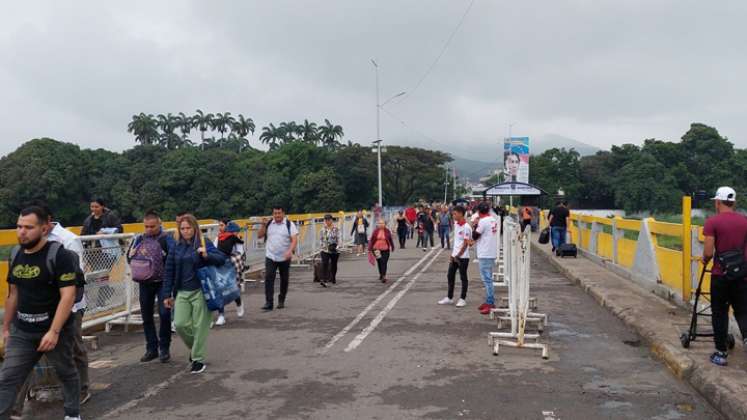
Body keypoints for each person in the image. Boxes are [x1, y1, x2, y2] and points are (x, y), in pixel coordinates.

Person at [0, 206, 82, 420]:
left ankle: (72, 413)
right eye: (19, 226)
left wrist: (54, 332)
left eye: (28, 227)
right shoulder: (16, 253)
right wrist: (6, 328)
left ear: (44, 228)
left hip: (56, 331)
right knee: (8, 378)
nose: (21, 232)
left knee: (66, 372)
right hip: (23, 331)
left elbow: (68, 296)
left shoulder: (60, 255)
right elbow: (13, 294)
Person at [163, 214, 226, 374]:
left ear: (195, 228)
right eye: (182, 228)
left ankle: (197, 359)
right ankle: (195, 349)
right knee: (180, 324)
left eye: (188, 228)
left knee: (200, 327)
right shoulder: (176, 246)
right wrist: (166, 294)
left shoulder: (204, 242)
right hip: (182, 291)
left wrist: (206, 255)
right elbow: (169, 270)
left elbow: (221, 259)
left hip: (201, 290)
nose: (185, 231)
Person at [702, 187, 747, 367]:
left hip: (720, 276)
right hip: (742, 276)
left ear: (718, 202)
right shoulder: (745, 221)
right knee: (743, 312)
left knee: (720, 313)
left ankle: (721, 353)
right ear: (734, 202)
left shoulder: (712, 222)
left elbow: (707, 251)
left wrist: (705, 260)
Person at [128, 211, 175, 363]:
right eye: (146, 226)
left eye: (152, 226)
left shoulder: (167, 239)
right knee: (146, 316)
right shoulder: (139, 239)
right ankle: (151, 348)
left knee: (164, 314)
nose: (149, 229)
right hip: (144, 282)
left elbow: (173, 258)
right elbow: (129, 257)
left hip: (163, 282)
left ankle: (164, 347)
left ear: (159, 224)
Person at [258, 205, 298, 311]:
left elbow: (294, 240)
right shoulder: (269, 223)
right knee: (269, 277)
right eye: (275, 213)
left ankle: (281, 299)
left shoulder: (289, 224)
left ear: (283, 213)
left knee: (284, 279)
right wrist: (263, 225)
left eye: (279, 213)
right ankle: (269, 302)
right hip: (271, 256)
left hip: (285, 257)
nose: (277, 215)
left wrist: (290, 251)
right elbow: (260, 235)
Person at [213, 219, 245, 326]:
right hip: (220, 265)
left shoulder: (234, 238)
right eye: (219, 225)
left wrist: (230, 258)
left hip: (231, 265)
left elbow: (240, 252)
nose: (220, 227)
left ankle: (239, 303)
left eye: (222, 225)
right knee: (219, 289)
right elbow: (213, 249)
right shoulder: (218, 238)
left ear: (227, 226)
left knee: (232, 287)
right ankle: (221, 315)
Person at [438, 206, 472, 308]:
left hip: (463, 257)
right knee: (450, 276)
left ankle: (462, 299)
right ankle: (449, 297)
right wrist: (453, 255)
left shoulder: (466, 227)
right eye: (453, 214)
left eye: (455, 214)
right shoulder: (456, 224)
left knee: (463, 277)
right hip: (455, 256)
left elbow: (466, 244)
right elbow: (457, 242)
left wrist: (458, 255)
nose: (453, 216)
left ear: (461, 213)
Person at [474, 202, 499, 315]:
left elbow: (475, 235)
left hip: (485, 252)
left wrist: (475, 224)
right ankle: (489, 301)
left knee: (487, 279)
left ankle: (490, 302)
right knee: (488, 278)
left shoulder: (483, 221)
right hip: (490, 251)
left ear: (479, 212)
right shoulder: (493, 219)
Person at [368, 219, 395, 283]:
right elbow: (371, 240)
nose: (381, 225)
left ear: (385, 224)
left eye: (382, 223)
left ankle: (384, 276)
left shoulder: (387, 231)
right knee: (380, 262)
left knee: (384, 262)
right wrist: (369, 248)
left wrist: (392, 246)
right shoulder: (375, 231)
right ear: (378, 224)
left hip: (386, 249)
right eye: (379, 223)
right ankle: (381, 274)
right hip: (376, 249)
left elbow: (390, 239)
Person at [319, 214, 340, 287]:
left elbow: (339, 238)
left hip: (334, 249)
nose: (327, 221)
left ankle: (333, 277)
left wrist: (337, 247)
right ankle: (324, 280)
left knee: (334, 264)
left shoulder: (336, 228)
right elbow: (321, 239)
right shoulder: (322, 229)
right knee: (324, 263)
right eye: (326, 220)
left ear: (331, 220)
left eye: (329, 220)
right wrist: (322, 247)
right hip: (325, 249)